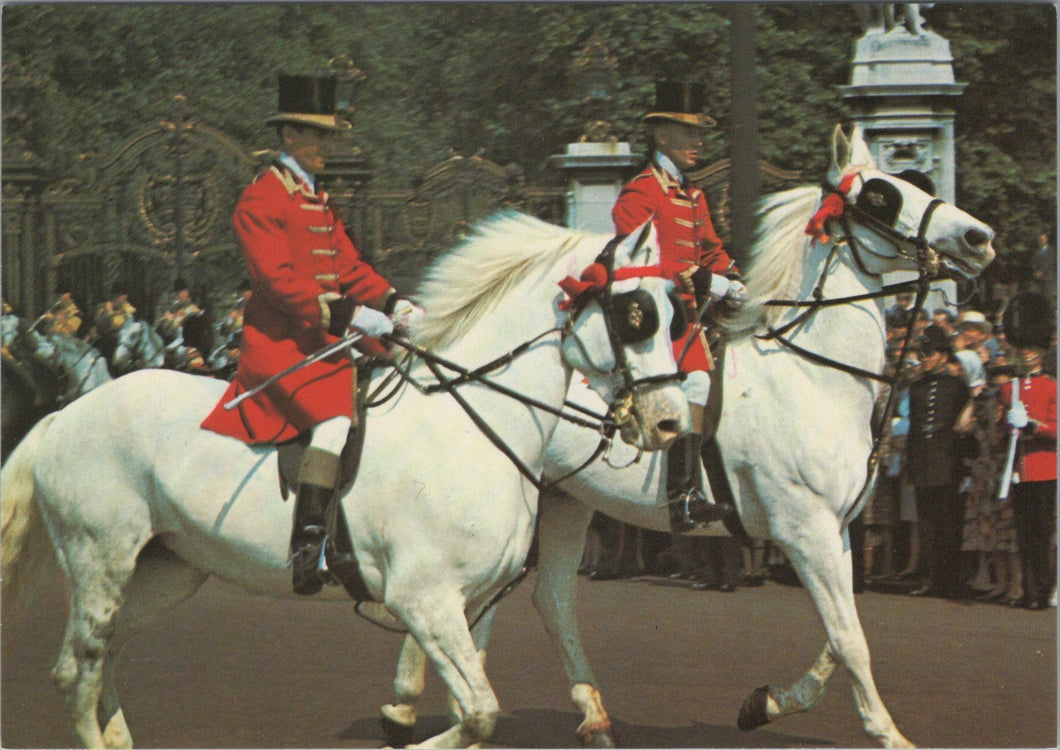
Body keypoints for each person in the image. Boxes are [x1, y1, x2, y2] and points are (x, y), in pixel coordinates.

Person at [201, 73, 423, 596]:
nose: (330, 145)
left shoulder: (315, 197)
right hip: (280, 346)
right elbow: (277, 283)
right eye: (320, 136)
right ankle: (310, 543)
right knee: (332, 420)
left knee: (398, 381)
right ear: (290, 137)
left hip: (327, 337)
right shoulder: (261, 199)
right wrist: (347, 316)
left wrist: (394, 303)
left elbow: (349, 265)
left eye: (331, 136)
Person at [612, 80, 743, 532]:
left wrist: (733, 276)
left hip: (694, 315)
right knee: (698, 386)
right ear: (664, 135)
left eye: (701, 133)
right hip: (660, 318)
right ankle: (682, 497)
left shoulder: (693, 194)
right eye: (690, 133)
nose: (699, 142)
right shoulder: (641, 193)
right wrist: (701, 279)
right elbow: (636, 261)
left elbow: (710, 248)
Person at [997, 292, 1056, 610]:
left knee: (1041, 535)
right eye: (1024, 350)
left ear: (1041, 354)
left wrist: (1032, 426)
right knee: (1024, 535)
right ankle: (1029, 591)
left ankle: (1042, 592)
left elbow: (1056, 430)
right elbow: (1000, 434)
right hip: (1019, 471)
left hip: (1045, 469)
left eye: (1032, 350)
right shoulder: (1009, 388)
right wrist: (1007, 426)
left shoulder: (1052, 386)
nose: (1027, 355)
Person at [905, 325, 972, 599]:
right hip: (923, 462)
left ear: (943, 355)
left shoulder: (957, 386)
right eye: (924, 354)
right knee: (928, 525)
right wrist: (911, 462)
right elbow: (914, 428)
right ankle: (931, 579)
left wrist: (963, 466)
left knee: (949, 525)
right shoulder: (917, 387)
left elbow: (963, 427)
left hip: (948, 462)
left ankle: (950, 581)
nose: (926, 359)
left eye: (930, 353)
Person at [155, 279, 202, 345]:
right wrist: (165, 320)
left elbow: (178, 330)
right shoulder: (174, 308)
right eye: (176, 293)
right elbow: (160, 326)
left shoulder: (193, 310)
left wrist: (169, 321)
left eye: (178, 293)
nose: (176, 295)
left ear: (187, 292)